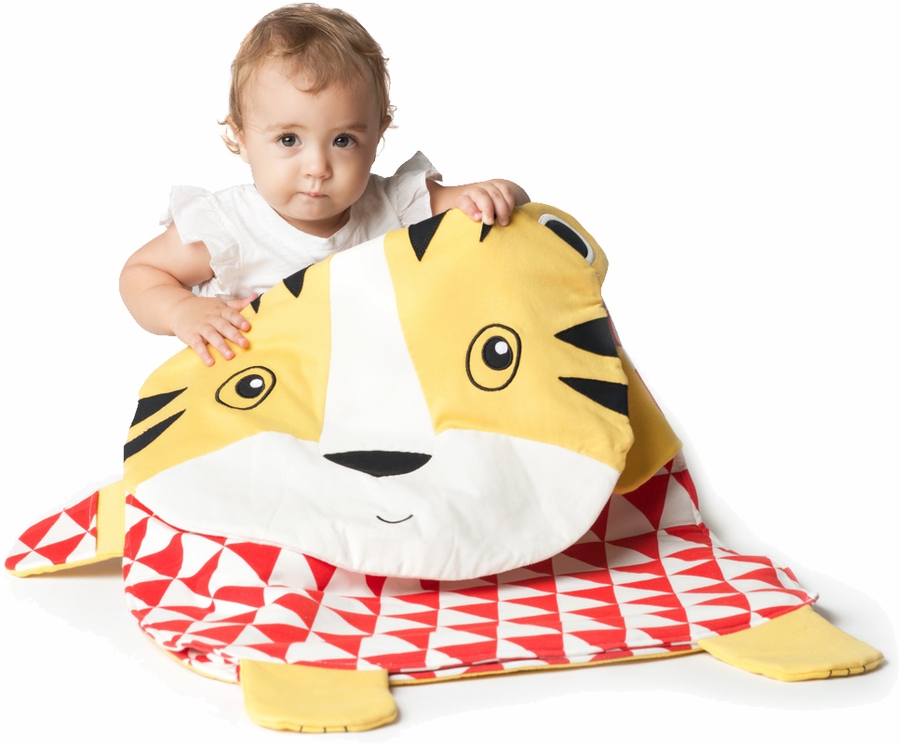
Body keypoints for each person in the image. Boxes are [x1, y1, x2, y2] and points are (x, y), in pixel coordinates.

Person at [119, 3, 528, 367]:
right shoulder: (228, 228)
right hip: (260, 398)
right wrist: (181, 311)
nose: (317, 167)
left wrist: (494, 194)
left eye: (343, 141)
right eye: (289, 140)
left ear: (376, 138)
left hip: (373, 386)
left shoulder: (395, 206)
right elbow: (141, 273)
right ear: (242, 138)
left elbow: (504, 208)